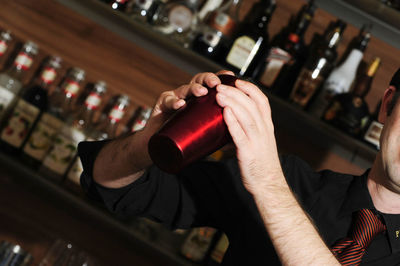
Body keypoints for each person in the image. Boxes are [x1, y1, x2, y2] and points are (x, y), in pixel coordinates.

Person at [78, 69, 400, 265]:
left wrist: (268, 183)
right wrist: (147, 144)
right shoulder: (294, 182)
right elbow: (113, 184)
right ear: (388, 105)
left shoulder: (273, 182)